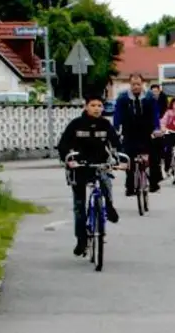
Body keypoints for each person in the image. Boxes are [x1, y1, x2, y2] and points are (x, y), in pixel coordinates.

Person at [56, 95, 123, 257]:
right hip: (80, 166)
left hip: (100, 165)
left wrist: (121, 159)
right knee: (79, 206)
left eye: (100, 105)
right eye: (93, 105)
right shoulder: (76, 124)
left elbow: (116, 144)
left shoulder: (105, 125)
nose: (97, 108)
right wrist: (68, 160)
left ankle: (108, 206)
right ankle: (81, 239)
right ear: (86, 107)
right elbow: (63, 145)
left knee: (106, 182)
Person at [112, 73, 162, 193]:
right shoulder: (123, 98)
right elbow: (117, 114)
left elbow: (155, 114)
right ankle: (130, 186)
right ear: (130, 84)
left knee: (154, 155)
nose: (136, 87)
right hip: (129, 130)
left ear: (142, 84)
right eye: (133, 84)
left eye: (138, 84)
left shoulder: (149, 97)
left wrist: (156, 128)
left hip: (146, 130)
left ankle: (154, 182)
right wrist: (116, 127)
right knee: (129, 158)